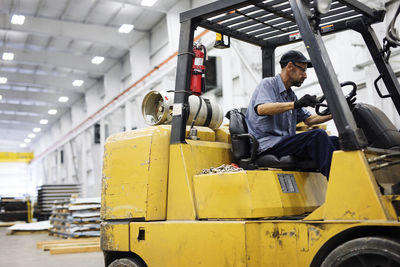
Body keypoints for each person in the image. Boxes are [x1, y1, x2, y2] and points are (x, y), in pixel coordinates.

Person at [245, 50, 339, 178]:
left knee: (336, 141)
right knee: (317, 135)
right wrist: (296, 104)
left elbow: (309, 119)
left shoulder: (290, 95)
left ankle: (348, 181)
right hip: (268, 145)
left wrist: (337, 112)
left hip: (285, 143)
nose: (305, 75)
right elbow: (262, 109)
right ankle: (337, 184)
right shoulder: (268, 84)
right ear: (289, 67)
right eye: (303, 70)